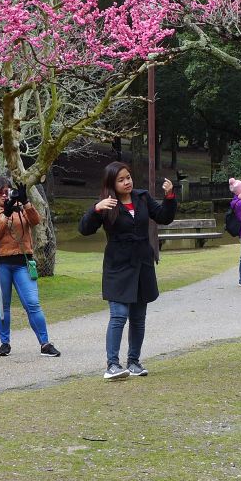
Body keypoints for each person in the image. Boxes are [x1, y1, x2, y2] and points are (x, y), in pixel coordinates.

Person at [78, 162, 177, 380]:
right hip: (118, 266)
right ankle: (112, 364)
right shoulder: (107, 204)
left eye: (129, 177)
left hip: (142, 264)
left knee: (138, 317)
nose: (127, 182)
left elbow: (164, 217)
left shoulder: (142, 197)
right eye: (121, 179)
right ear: (112, 183)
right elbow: (85, 229)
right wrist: (95, 209)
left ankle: (134, 362)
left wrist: (169, 196)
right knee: (119, 315)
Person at [0, 176, 59, 359]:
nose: (4, 195)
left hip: (22, 263)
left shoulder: (21, 210)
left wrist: (25, 202)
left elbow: (35, 221)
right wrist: (5, 215)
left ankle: (45, 344)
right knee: (2, 304)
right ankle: (5, 343)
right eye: (0, 192)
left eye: (7, 191)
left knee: (33, 303)